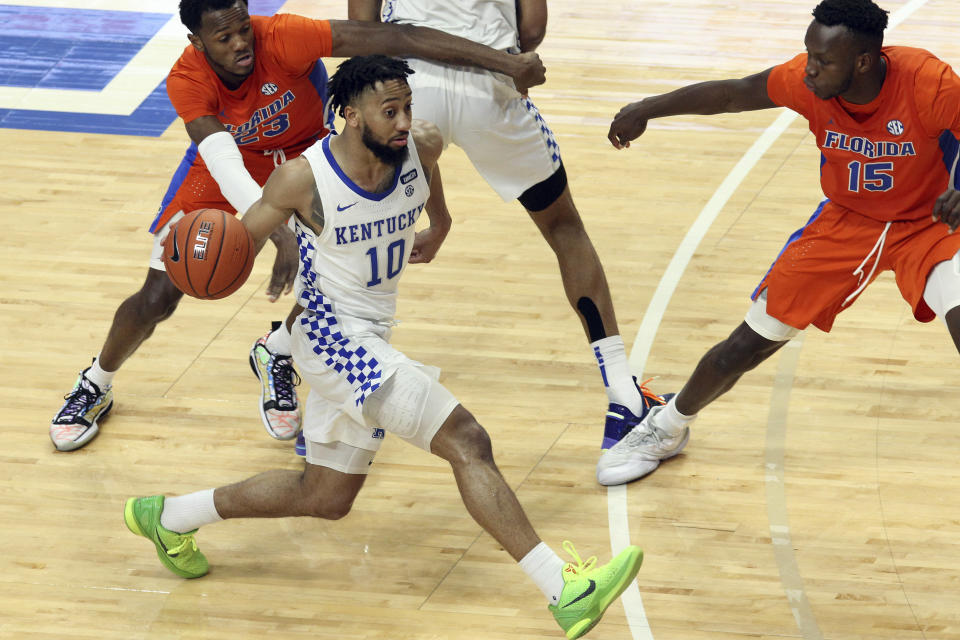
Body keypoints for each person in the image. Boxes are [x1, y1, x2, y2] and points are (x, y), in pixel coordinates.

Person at [123, 56, 642, 640]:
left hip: (373, 331)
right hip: (332, 339)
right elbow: (239, 241)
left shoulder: (418, 147)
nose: (402, 121)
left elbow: (429, 183)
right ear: (348, 116)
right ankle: (564, 588)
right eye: (388, 110)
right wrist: (215, 251)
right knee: (467, 439)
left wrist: (440, 224)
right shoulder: (303, 179)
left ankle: (167, 517)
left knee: (324, 495)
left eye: (406, 107)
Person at [49, 0, 547, 452]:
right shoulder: (187, 78)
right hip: (227, 167)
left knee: (339, 283)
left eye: (244, 28)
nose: (241, 43)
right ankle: (97, 380)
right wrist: (275, 230)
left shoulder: (286, 36)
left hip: (311, 158)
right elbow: (221, 156)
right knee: (159, 294)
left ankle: (278, 352)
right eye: (224, 39)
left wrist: (503, 62)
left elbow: (399, 39)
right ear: (197, 42)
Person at [596, 0, 960, 485]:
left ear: (864, 62)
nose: (809, 69)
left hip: (929, 223)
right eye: (808, 54)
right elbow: (733, 94)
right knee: (745, 345)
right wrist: (649, 107)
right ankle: (667, 426)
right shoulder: (805, 80)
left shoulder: (927, 81)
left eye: (823, 61)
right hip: (847, 223)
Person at [347, 0, 669, 462]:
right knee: (563, 228)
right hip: (489, 84)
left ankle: (318, 387)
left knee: (353, 241)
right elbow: (532, 29)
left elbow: (363, 28)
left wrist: (437, 217)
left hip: (407, 87)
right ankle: (624, 395)